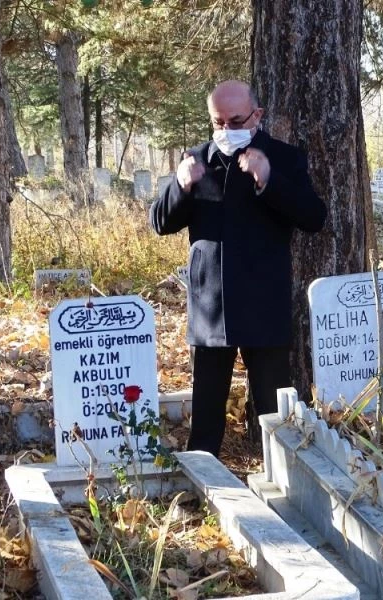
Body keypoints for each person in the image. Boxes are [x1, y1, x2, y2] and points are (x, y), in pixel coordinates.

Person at [150, 80, 326, 455]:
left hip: (263, 306)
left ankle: (286, 479)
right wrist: (180, 185)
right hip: (210, 309)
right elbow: (160, 223)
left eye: (235, 121)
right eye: (218, 122)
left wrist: (269, 179)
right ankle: (204, 479)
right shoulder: (197, 159)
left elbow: (314, 217)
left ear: (256, 116)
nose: (226, 130)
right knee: (206, 419)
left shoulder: (284, 158)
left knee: (275, 413)